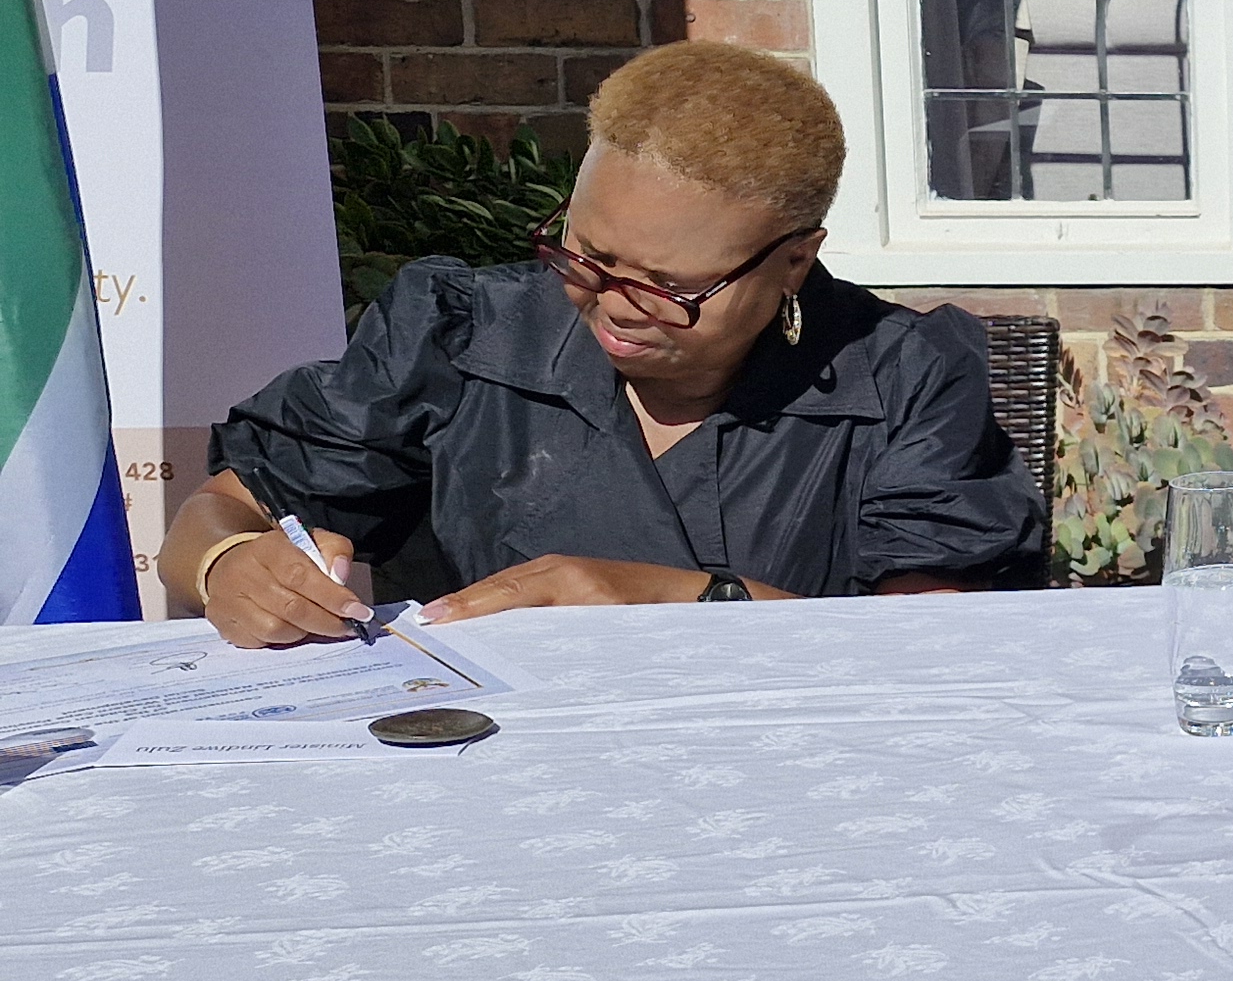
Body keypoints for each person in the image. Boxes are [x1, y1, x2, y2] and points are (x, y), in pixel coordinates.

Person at [168, 44, 1042, 643]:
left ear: (793, 259)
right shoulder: (459, 334)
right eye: (584, 254)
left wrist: (679, 599)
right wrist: (227, 567)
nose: (611, 305)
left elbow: (934, 647)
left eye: (666, 284)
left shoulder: (904, 379)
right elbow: (221, 510)